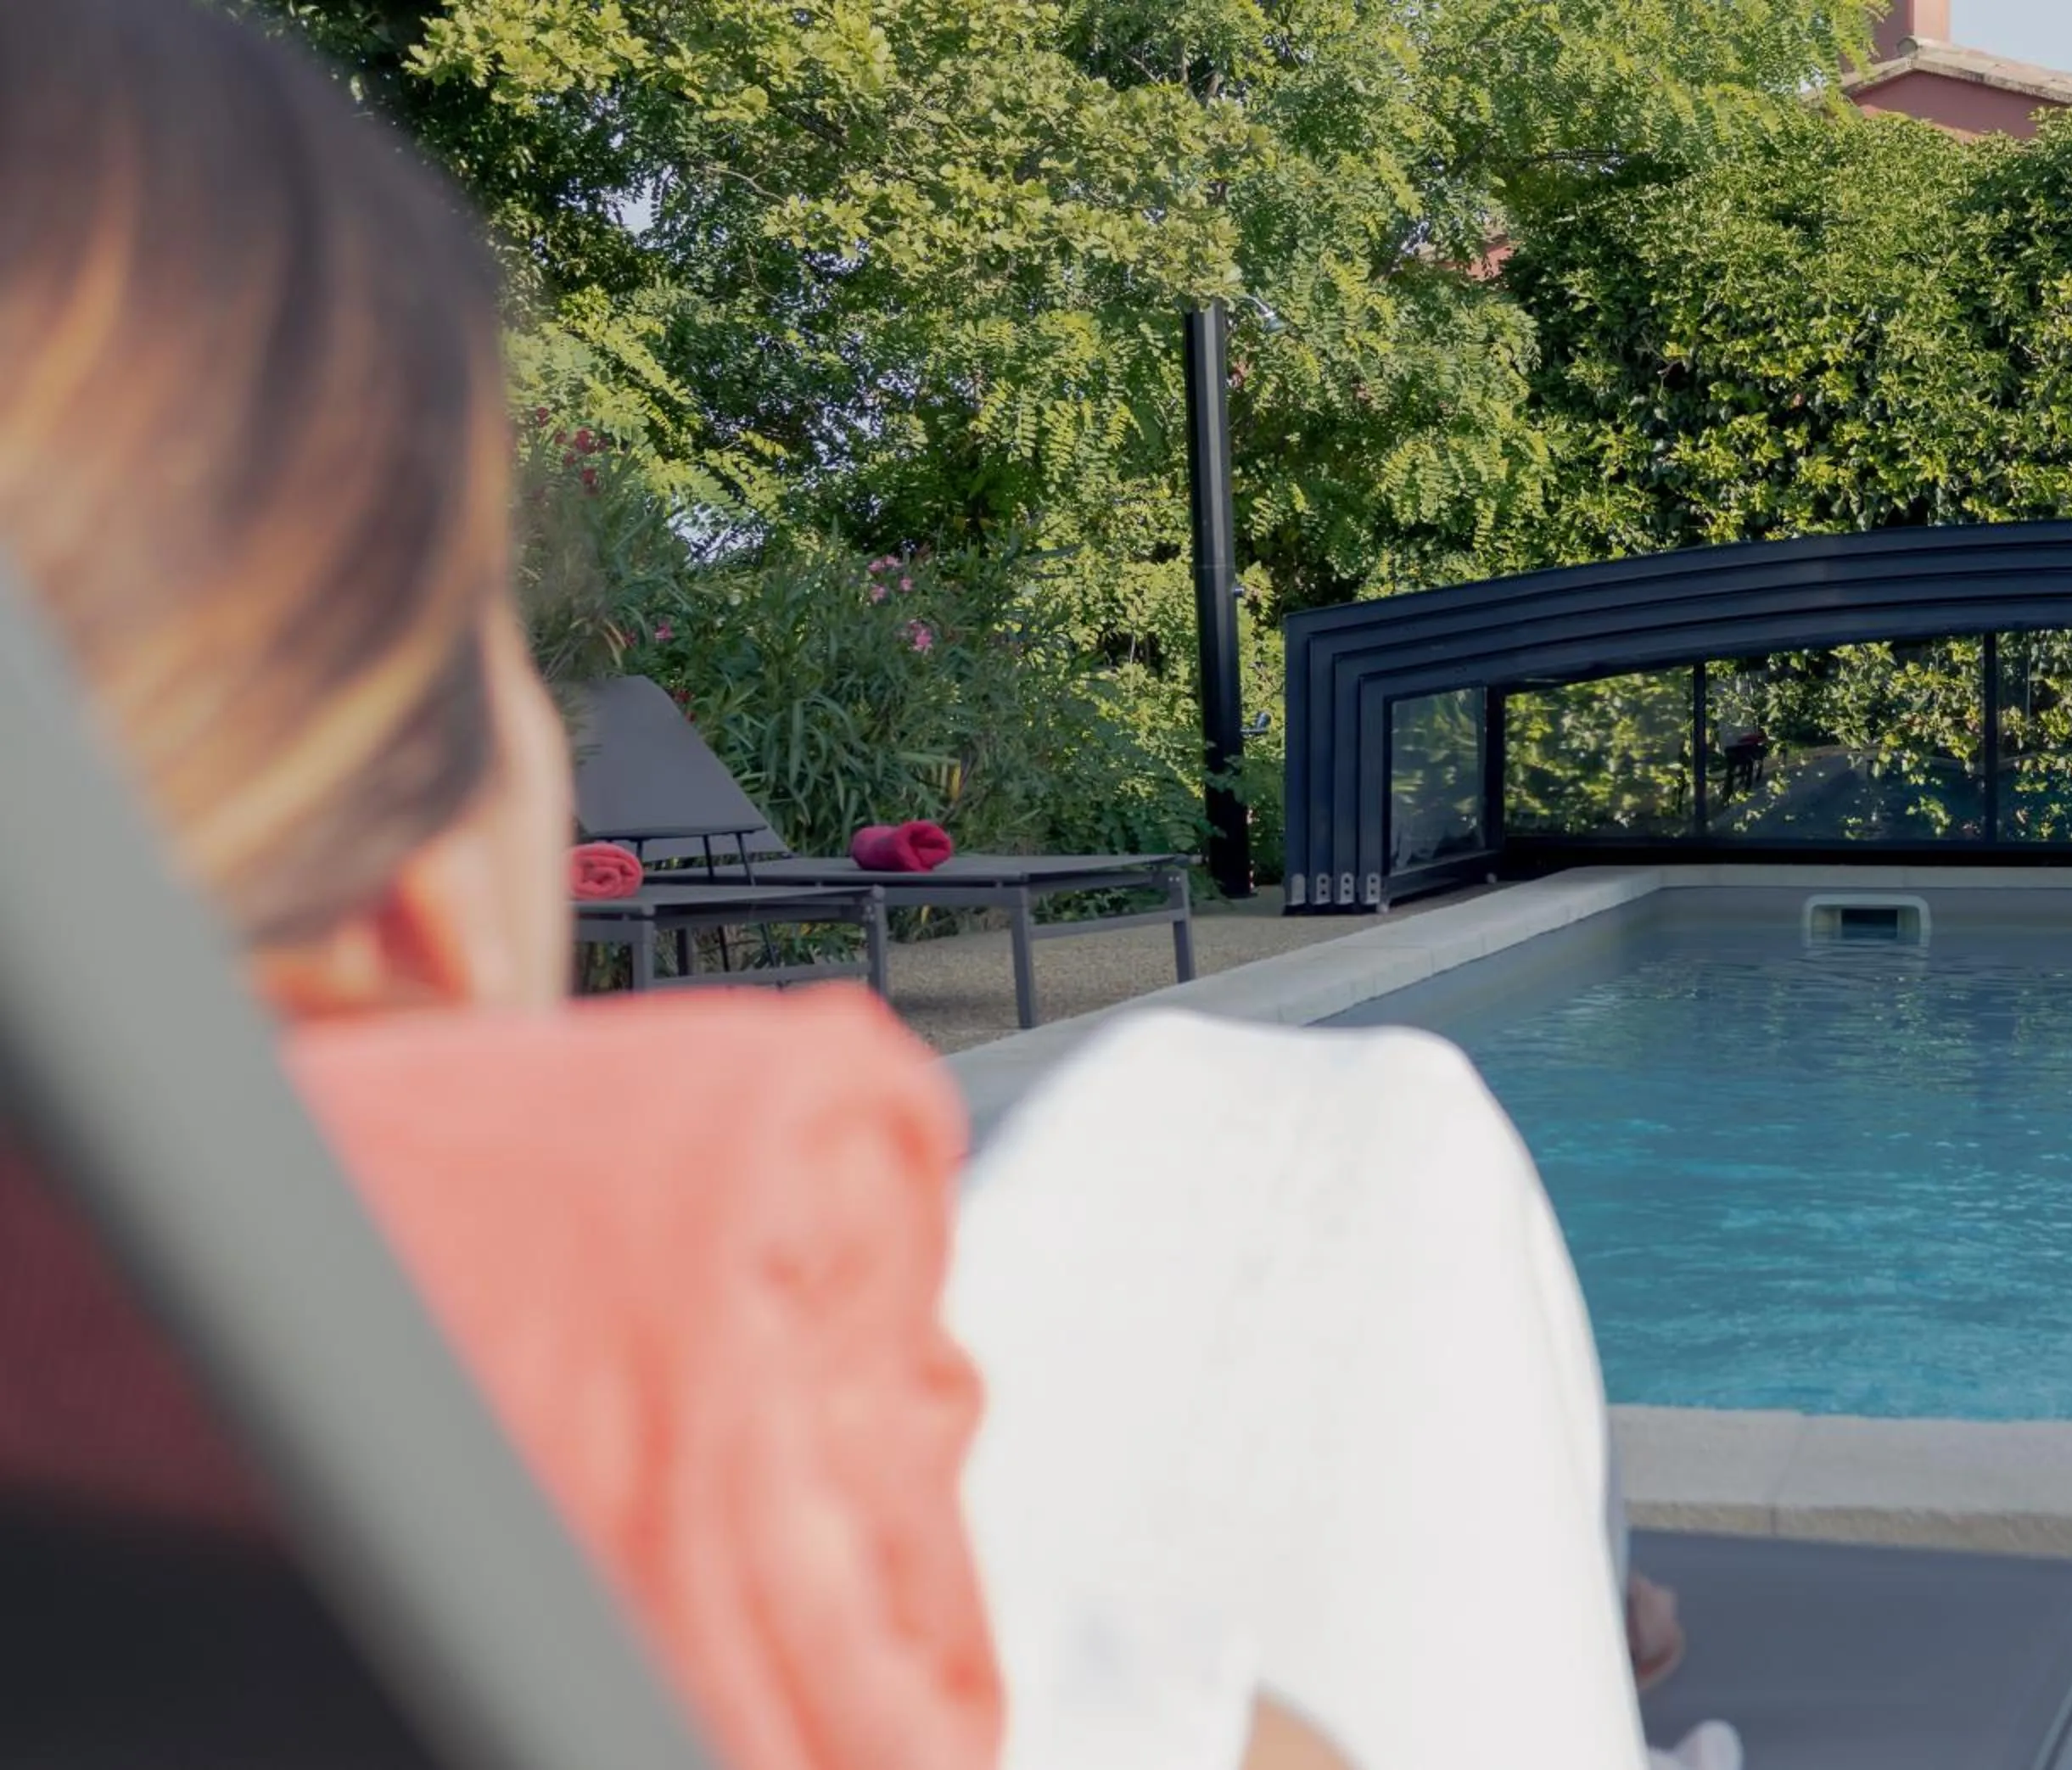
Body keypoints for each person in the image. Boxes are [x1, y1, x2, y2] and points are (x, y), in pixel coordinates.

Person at [0, 3, 1724, 1767]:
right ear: (414, 880)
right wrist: (1474, 1617)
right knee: (1371, 1126)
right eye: (482, 628)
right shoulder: (645, 1271)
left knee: (1224, 1102)